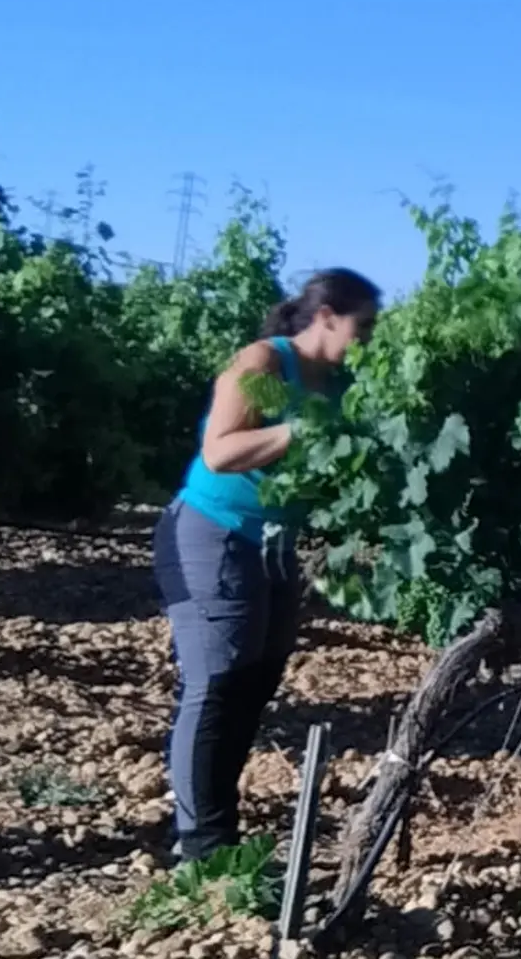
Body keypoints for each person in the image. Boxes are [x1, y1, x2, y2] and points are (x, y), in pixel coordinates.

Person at [152, 268, 381, 863]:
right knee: (216, 684)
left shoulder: (340, 382)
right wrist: (297, 432)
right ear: (327, 315)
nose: (371, 340)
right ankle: (199, 846)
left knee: (257, 682)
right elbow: (220, 451)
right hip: (212, 531)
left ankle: (215, 826)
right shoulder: (262, 363)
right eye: (365, 326)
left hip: (275, 544)